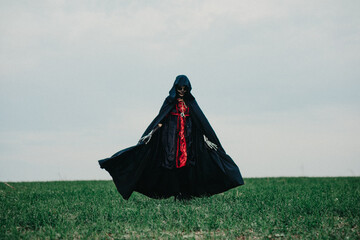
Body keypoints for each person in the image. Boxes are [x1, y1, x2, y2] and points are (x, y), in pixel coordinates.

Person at [98, 75, 244, 200]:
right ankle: (177, 193)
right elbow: (160, 120)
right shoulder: (169, 102)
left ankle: (186, 194)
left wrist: (206, 139)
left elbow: (200, 123)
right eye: (179, 88)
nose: (181, 91)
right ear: (175, 88)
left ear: (188, 89)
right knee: (172, 165)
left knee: (188, 165)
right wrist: (151, 134)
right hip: (171, 140)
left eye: (184, 89)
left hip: (188, 141)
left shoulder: (191, 104)